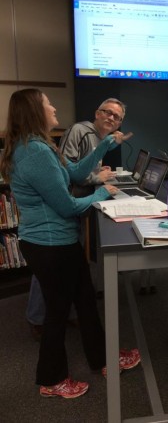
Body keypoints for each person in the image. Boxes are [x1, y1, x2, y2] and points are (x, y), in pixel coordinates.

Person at [0, 88, 140, 399]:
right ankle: (51, 379)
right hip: (50, 246)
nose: (53, 107)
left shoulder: (39, 146)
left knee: (86, 301)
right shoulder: (34, 152)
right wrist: (104, 192)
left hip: (60, 243)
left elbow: (75, 172)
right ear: (36, 111)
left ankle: (102, 359)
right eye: (47, 104)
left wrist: (104, 143)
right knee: (58, 312)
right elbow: (67, 206)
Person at [25, 98, 125, 337]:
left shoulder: (99, 139)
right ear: (96, 113)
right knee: (51, 267)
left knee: (66, 267)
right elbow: (69, 174)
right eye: (107, 112)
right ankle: (37, 318)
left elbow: (80, 169)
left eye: (117, 117)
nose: (111, 118)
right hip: (62, 210)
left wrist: (98, 174)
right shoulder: (80, 131)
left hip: (76, 206)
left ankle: (64, 312)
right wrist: (97, 180)